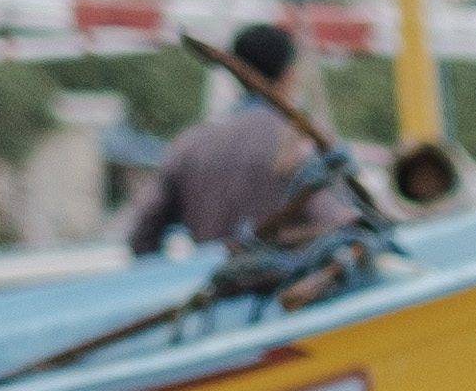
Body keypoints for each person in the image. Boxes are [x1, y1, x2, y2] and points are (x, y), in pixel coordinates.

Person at [124, 23, 358, 258]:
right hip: (294, 288)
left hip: (216, 285)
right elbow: (343, 227)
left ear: (233, 72)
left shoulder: (190, 145)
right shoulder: (306, 144)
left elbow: (142, 235)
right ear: (290, 73)